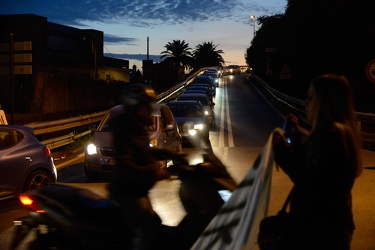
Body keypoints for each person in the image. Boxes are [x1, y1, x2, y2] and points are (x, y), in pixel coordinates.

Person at [272, 74, 363, 250]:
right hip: (326, 228)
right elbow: (311, 167)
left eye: (311, 98)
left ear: (326, 102)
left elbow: (309, 181)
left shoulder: (331, 135)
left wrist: (280, 150)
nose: (306, 103)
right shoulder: (333, 133)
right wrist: (296, 137)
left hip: (322, 233)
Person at [107, 84, 179, 250]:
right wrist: (156, 173)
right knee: (147, 229)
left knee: (156, 224)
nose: (150, 110)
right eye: (147, 106)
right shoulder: (127, 128)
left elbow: (145, 152)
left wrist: (172, 155)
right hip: (127, 193)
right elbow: (127, 165)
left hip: (136, 191)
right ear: (137, 107)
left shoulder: (136, 127)